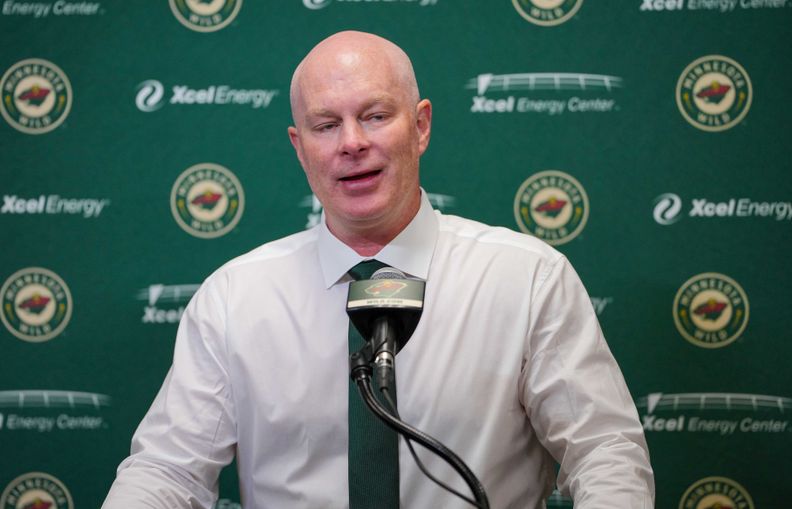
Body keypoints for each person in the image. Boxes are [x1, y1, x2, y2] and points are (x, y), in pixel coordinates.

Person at [103, 31, 654, 508]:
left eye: (374, 116)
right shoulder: (234, 296)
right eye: (325, 125)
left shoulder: (529, 278)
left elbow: (606, 452)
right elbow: (167, 472)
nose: (352, 143)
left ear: (421, 126)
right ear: (300, 148)